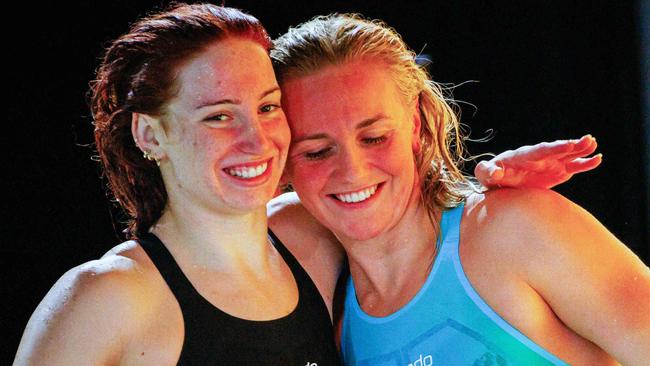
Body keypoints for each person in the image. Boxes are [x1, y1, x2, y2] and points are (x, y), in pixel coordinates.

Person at [13, 3, 602, 365]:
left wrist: (489, 186)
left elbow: (393, 199)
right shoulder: (108, 296)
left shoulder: (310, 244)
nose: (255, 140)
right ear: (150, 135)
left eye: (268, 108)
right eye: (218, 115)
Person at [270, 13, 650, 365]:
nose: (352, 172)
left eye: (374, 138)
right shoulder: (332, 319)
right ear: (284, 157)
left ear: (416, 125)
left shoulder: (513, 230)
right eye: (317, 152)